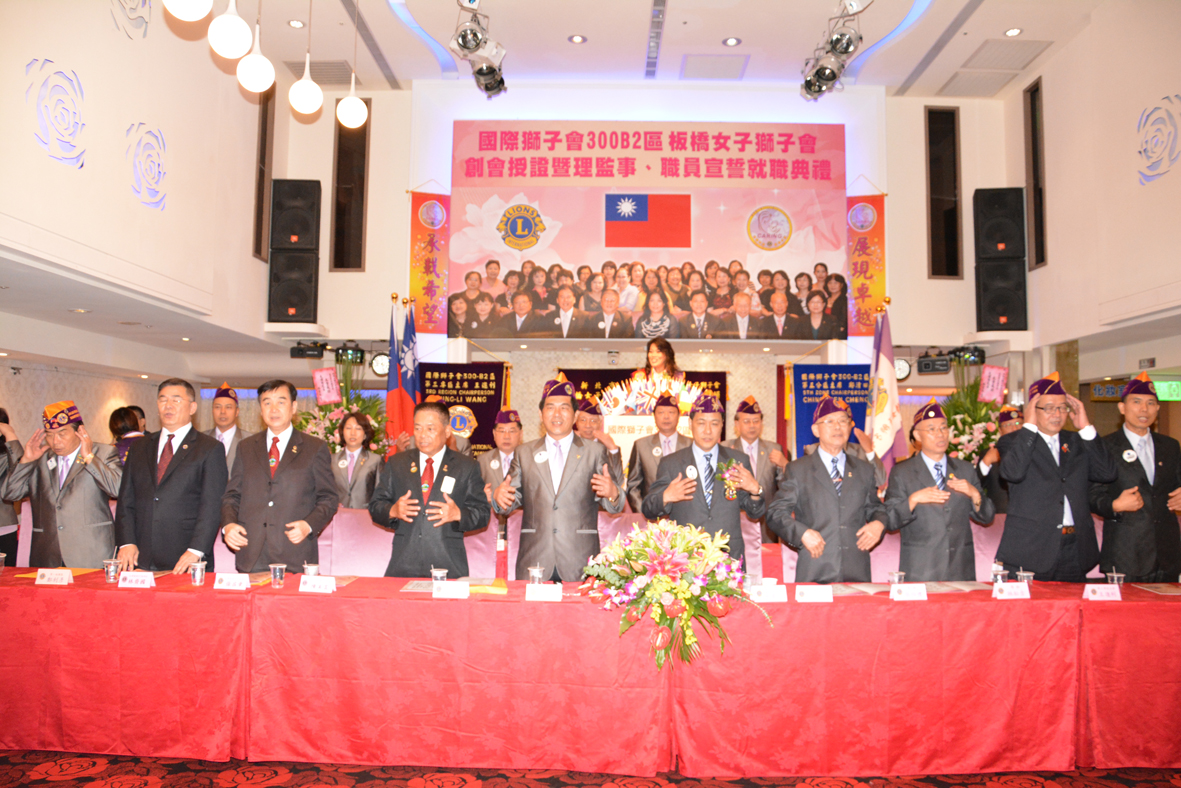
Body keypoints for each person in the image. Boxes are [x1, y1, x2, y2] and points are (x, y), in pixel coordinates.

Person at [493, 379, 625, 582]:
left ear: (575, 415)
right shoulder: (524, 453)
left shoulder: (594, 452)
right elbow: (508, 501)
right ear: (541, 414)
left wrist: (613, 493)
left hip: (580, 558)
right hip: (535, 559)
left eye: (564, 408)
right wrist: (499, 498)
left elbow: (615, 505)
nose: (557, 414)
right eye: (550, 408)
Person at [995, 372, 1117, 582]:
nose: (1057, 414)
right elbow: (1013, 473)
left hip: (1075, 548)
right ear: (1033, 409)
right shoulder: (1014, 442)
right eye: (1049, 408)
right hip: (1031, 549)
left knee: (1072, 603)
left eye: (1062, 407)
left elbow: (1107, 473)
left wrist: (1086, 428)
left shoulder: (1077, 441)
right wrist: (1029, 426)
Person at [220, 380, 339, 573]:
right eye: (267, 403)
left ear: (294, 407)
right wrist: (229, 525)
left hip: (294, 552)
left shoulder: (314, 448)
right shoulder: (246, 447)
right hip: (251, 553)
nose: (273, 409)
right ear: (261, 410)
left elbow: (329, 498)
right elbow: (232, 495)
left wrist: (308, 525)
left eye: (281, 402)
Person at [768, 395, 888, 583]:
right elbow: (775, 513)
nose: (837, 426)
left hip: (856, 569)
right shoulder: (798, 469)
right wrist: (802, 533)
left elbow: (876, 508)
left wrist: (879, 523)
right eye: (830, 421)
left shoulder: (864, 469)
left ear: (849, 427)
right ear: (816, 430)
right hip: (815, 566)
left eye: (843, 421)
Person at [114, 379, 228, 573]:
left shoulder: (209, 448)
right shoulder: (140, 446)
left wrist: (196, 550)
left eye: (176, 400)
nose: (168, 405)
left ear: (192, 407)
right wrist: (127, 542)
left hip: (187, 557)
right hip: (140, 555)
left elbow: (212, 505)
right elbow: (126, 499)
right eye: (163, 400)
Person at [368, 400, 489, 578]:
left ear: (447, 431)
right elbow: (375, 506)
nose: (422, 435)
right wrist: (393, 510)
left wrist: (458, 514)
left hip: (449, 565)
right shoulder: (397, 463)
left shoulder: (466, 466)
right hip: (403, 565)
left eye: (430, 428)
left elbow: (483, 513)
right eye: (417, 428)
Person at [642, 395, 766, 567]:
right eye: (701, 423)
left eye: (714, 423)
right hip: (686, 559)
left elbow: (755, 513)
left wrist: (755, 491)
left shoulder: (738, 461)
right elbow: (648, 509)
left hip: (728, 558)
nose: (708, 431)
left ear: (722, 425)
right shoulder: (671, 463)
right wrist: (665, 497)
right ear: (690, 424)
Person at [2, 401, 123, 568]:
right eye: (49, 435)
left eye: (62, 434)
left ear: (80, 431)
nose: (55, 441)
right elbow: (10, 494)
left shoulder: (102, 453)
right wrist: (26, 461)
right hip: (48, 554)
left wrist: (89, 457)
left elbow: (117, 489)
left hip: (91, 553)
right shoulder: (40, 457)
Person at [884, 400, 994, 581]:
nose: (940, 434)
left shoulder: (965, 469)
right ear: (918, 436)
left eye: (943, 428)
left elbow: (987, 516)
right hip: (921, 569)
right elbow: (889, 520)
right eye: (932, 429)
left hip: (960, 568)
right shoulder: (902, 472)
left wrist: (974, 493)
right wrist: (913, 500)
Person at [1088, 372, 1181, 582]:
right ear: (1122, 408)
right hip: (1125, 555)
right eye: (1136, 402)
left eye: (1150, 403)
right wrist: (1115, 505)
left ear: (1158, 408)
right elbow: (1092, 495)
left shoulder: (1170, 446)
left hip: (1167, 555)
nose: (1144, 409)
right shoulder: (1105, 447)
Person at [723, 396, 791, 543]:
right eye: (746, 421)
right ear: (737, 424)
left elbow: (786, 487)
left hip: (766, 524)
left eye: (756, 421)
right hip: (733, 523)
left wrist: (785, 465)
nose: (752, 426)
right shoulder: (725, 448)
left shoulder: (774, 449)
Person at [625, 392, 691, 514]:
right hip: (652, 517)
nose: (666, 417)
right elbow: (633, 486)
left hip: (686, 516)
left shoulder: (691, 445)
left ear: (679, 416)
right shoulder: (641, 445)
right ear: (654, 416)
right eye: (661, 412)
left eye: (671, 412)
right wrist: (645, 513)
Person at [977, 405, 1023, 513]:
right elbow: (976, 485)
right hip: (1001, 515)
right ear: (1000, 431)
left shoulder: (1034, 451)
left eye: (1018, 423)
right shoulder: (990, 454)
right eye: (1008, 425)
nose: (1014, 429)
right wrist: (986, 462)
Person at [332, 412, 382, 508]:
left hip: (365, 514)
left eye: (358, 428)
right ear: (342, 432)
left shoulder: (375, 460)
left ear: (365, 434)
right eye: (348, 428)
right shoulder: (332, 460)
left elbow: (380, 494)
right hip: (338, 514)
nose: (353, 433)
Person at [206, 383, 253, 472]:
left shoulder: (250, 440)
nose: (222, 412)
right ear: (212, 410)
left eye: (228, 407)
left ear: (237, 412)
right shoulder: (201, 439)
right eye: (217, 407)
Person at [0, 409, 23, 559]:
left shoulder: (6, 455)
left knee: (6, 572)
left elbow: (21, 469)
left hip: (3, 526)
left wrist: (10, 435)